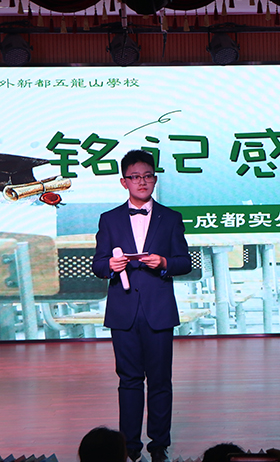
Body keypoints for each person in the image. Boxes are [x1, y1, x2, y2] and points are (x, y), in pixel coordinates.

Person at [92, 149, 192, 462]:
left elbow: (184, 262)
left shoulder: (170, 218)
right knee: (129, 381)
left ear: (155, 179)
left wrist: (163, 262)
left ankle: (159, 445)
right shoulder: (109, 219)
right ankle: (129, 447)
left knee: (160, 381)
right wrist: (110, 265)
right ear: (124, 182)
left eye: (147, 176)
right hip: (123, 311)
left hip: (158, 310)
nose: (142, 182)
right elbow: (98, 265)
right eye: (135, 177)